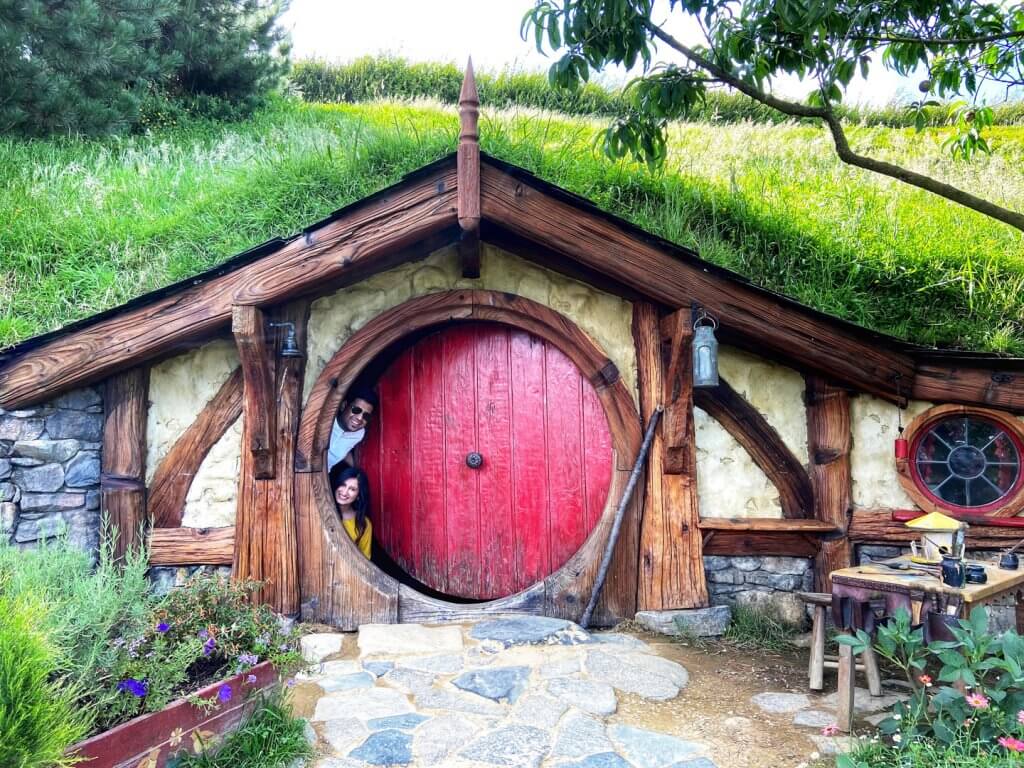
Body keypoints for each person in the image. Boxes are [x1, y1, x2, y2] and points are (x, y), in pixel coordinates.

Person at [327, 389, 378, 471]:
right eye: (356, 410)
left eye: (366, 416)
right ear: (343, 405)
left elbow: (344, 448)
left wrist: (357, 471)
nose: (360, 418)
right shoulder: (326, 422)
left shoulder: (359, 434)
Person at [332, 465, 372, 559]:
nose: (345, 492)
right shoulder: (321, 510)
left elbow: (365, 559)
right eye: (343, 485)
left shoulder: (364, 524)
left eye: (352, 489)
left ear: (358, 495)